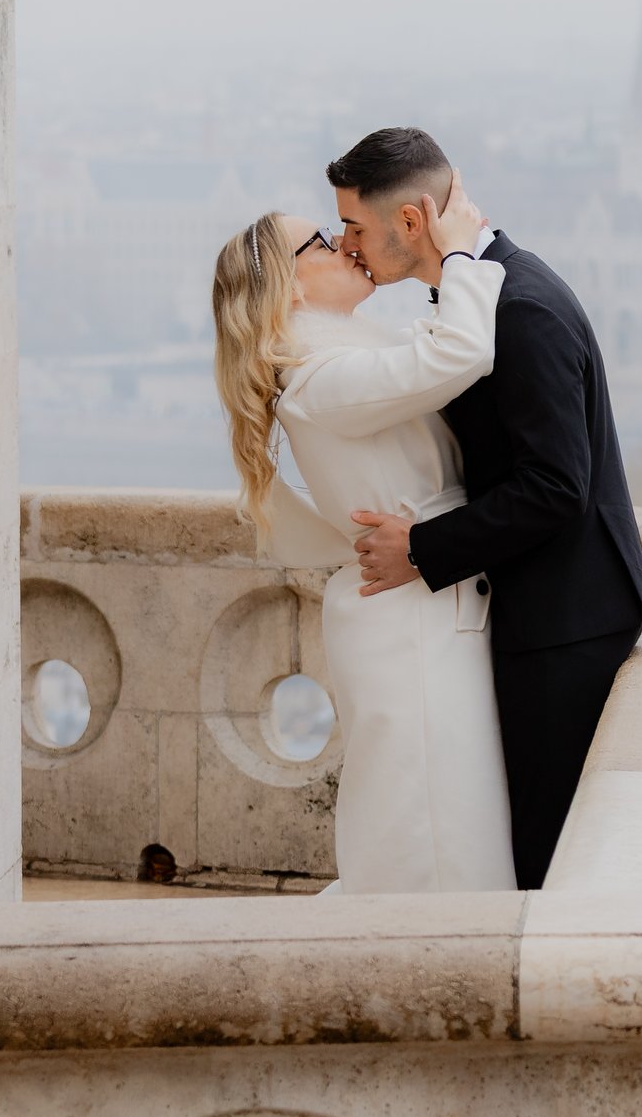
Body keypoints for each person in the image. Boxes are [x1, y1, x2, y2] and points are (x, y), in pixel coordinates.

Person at [329, 127, 642, 890]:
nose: (348, 245)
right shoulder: (490, 290)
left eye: (355, 226)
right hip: (547, 612)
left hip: (565, 625)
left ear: (411, 222)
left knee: (545, 855)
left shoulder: (522, 309)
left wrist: (424, 546)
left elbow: (556, 484)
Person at [207, 179, 516, 892]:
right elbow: (462, 350)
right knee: (433, 833)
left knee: (440, 819)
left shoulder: (332, 363)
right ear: (285, 290)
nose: (346, 244)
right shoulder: (320, 376)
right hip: (412, 629)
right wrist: (460, 248)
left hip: (419, 612)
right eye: (321, 241)